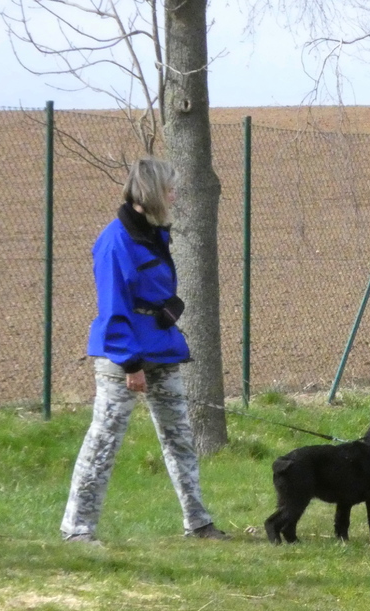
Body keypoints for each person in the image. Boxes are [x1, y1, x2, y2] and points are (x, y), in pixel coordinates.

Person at [61, 157, 228, 545]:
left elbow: (150, 291)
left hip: (161, 349)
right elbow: (113, 308)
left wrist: (166, 310)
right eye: (170, 188)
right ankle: (77, 530)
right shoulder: (115, 241)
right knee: (104, 442)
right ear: (153, 193)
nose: (175, 195)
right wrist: (131, 364)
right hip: (123, 359)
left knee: (179, 439)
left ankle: (198, 524)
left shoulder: (155, 233)